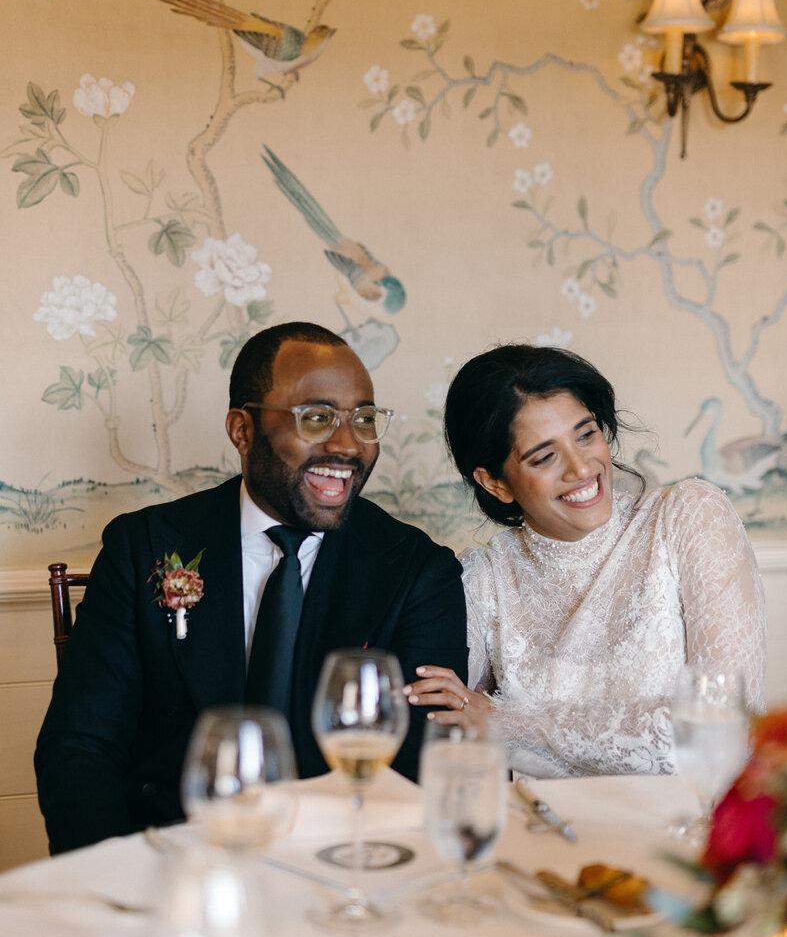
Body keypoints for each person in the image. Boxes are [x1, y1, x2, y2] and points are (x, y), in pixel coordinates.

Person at [35, 322, 467, 854]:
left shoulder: (418, 570)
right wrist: (115, 882)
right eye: (316, 417)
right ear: (242, 430)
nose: (348, 444)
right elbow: (81, 745)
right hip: (169, 856)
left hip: (339, 864)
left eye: (364, 419)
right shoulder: (142, 546)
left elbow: (418, 761)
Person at [405, 344, 766, 778]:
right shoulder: (484, 578)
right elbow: (455, 731)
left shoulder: (689, 516)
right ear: (495, 483)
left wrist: (512, 724)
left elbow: (723, 726)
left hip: (686, 836)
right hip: (539, 836)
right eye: (544, 456)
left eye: (586, 434)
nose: (581, 467)